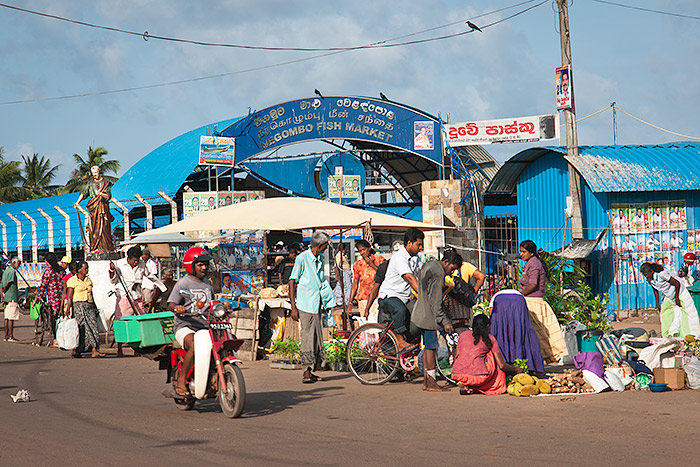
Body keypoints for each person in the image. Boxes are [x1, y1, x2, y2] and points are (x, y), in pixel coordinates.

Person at [411, 250, 462, 392]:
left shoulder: (430, 264)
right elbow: (436, 302)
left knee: (429, 347)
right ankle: (431, 383)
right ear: (446, 262)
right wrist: (445, 321)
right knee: (431, 347)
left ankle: (427, 382)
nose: (452, 272)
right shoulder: (438, 273)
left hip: (421, 311)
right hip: (428, 315)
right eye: (452, 268)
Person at [168, 247, 215, 397]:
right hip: (185, 325)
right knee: (195, 346)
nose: (204, 267)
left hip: (205, 326)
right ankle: (182, 381)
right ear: (191, 265)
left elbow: (212, 303)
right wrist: (178, 307)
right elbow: (171, 303)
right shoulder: (183, 283)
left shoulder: (208, 284)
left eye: (206, 264)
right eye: (200, 264)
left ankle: (211, 380)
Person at [289, 231, 334, 384]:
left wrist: (328, 302)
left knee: (316, 337)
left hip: (317, 303)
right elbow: (292, 281)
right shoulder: (302, 258)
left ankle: (312, 369)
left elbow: (321, 282)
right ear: (319, 245)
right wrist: (293, 307)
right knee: (307, 336)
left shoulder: (320, 258)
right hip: (304, 303)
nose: (326, 249)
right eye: (325, 246)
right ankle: (306, 372)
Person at [110, 245, 166, 357]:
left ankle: (137, 348)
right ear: (128, 258)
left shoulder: (142, 264)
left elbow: (150, 276)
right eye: (134, 260)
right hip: (124, 296)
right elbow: (113, 280)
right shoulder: (119, 264)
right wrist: (111, 270)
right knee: (121, 322)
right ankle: (120, 349)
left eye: (137, 260)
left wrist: (162, 287)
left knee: (139, 321)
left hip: (137, 296)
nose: (136, 262)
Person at [518, 240, 566, 364]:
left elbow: (533, 284)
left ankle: (542, 359)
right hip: (530, 301)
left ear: (532, 253)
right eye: (521, 252)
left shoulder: (534, 264)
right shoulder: (530, 263)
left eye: (524, 252)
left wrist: (519, 295)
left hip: (533, 303)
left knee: (538, 334)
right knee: (539, 333)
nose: (521, 254)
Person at [451, 314, 523, 395]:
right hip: (479, 377)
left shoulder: (462, 335)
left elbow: (457, 356)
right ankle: (485, 386)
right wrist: (516, 369)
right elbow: (501, 365)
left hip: (457, 374)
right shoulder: (490, 339)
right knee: (491, 355)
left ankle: (466, 384)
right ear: (487, 326)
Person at [488, 289, 545, 374]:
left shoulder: (495, 297)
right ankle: (525, 364)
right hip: (519, 301)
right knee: (521, 329)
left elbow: (491, 315)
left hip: (500, 301)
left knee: (500, 331)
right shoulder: (519, 295)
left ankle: (505, 361)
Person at [640, 262, 700, 338]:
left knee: (687, 313)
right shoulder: (650, 279)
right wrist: (657, 303)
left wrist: (677, 298)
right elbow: (655, 290)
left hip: (680, 293)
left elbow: (676, 283)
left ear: (651, 271)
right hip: (669, 296)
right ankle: (670, 335)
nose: (645, 276)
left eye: (646, 274)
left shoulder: (661, 274)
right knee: (667, 314)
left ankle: (693, 335)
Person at [65, 261, 105, 358]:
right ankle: (78, 349)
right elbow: (70, 296)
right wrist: (67, 309)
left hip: (89, 305)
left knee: (93, 327)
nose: (87, 270)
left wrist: (95, 308)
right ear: (79, 270)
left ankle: (95, 349)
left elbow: (91, 295)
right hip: (78, 306)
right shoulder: (72, 280)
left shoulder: (88, 280)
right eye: (85, 268)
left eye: (87, 268)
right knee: (82, 328)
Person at [75, 165, 115, 253]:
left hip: (103, 208)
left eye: (96, 173)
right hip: (93, 208)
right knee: (93, 229)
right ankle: (95, 247)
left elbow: (108, 196)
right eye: (93, 174)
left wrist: (101, 194)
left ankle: (105, 247)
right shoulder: (90, 183)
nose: (95, 175)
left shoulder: (105, 182)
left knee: (104, 227)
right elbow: (84, 192)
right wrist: (77, 202)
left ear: (99, 172)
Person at [443, 252, 485, 331]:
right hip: (465, 306)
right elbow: (481, 276)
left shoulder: (445, 267)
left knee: (451, 332)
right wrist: (474, 291)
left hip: (449, 306)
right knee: (466, 330)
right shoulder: (465, 266)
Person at [348, 239, 386, 322]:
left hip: (378, 297)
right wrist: (350, 302)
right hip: (364, 299)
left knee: (377, 325)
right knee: (366, 326)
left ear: (369, 248)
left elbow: (384, 275)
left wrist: (371, 264)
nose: (362, 253)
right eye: (360, 251)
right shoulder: (358, 264)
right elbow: (355, 284)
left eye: (363, 249)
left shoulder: (379, 260)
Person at [33, 252, 66, 347]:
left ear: (47, 261)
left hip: (54, 300)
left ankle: (56, 339)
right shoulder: (61, 270)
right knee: (63, 318)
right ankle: (63, 337)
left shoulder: (48, 272)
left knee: (54, 319)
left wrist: (36, 299)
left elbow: (42, 287)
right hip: (63, 298)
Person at [2, 257, 22, 342]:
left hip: (7, 297)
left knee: (7, 317)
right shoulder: (11, 271)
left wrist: (3, 295)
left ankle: (6, 336)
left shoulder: (6, 271)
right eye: (18, 264)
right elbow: (7, 283)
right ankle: (10, 336)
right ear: (14, 262)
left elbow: (1, 284)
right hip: (11, 297)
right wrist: (5, 290)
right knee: (11, 318)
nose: (19, 266)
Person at [333, 243, 352, 307]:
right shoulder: (339, 255)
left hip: (346, 272)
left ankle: (339, 301)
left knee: (341, 287)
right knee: (347, 287)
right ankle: (344, 302)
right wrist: (337, 275)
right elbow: (337, 266)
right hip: (344, 272)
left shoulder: (343, 255)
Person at [140, 247, 158, 312]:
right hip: (142, 285)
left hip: (149, 286)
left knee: (148, 302)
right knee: (141, 302)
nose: (142, 256)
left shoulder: (152, 264)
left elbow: (154, 276)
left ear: (147, 256)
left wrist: (154, 287)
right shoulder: (141, 263)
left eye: (143, 255)